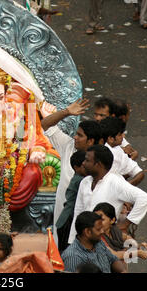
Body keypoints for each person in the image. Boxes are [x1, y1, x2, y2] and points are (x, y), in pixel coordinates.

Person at [41, 98, 101, 240]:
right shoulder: (68, 146)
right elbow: (44, 126)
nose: (74, 137)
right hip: (63, 218)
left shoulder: (102, 160)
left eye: (80, 135)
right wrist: (66, 112)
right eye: (76, 133)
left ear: (91, 141)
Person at [68, 145, 147, 244]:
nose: (83, 163)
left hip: (105, 242)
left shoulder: (115, 182)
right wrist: (72, 241)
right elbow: (78, 212)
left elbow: (145, 199)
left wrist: (125, 224)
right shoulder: (85, 182)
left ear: (98, 164)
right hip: (84, 241)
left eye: (87, 160)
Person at [61, 211, 127, 273]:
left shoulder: (98, 243)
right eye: (99, 229)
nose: (102, 231)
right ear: (87, 232)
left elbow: (113, 259)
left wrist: (123, 271)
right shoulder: (73, 256)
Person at [55, 150, 87, 252]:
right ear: (76, 168)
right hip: (68, 221)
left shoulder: (80, 178)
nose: (86, 166)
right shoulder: (80, 180)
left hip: (65, 220)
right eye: (83, 165)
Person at [100, 117, 145, 186]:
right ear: (111, 139)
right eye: (120, 134)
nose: (123, 136)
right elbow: (137, 172)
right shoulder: (110, 153)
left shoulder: (117, 149)